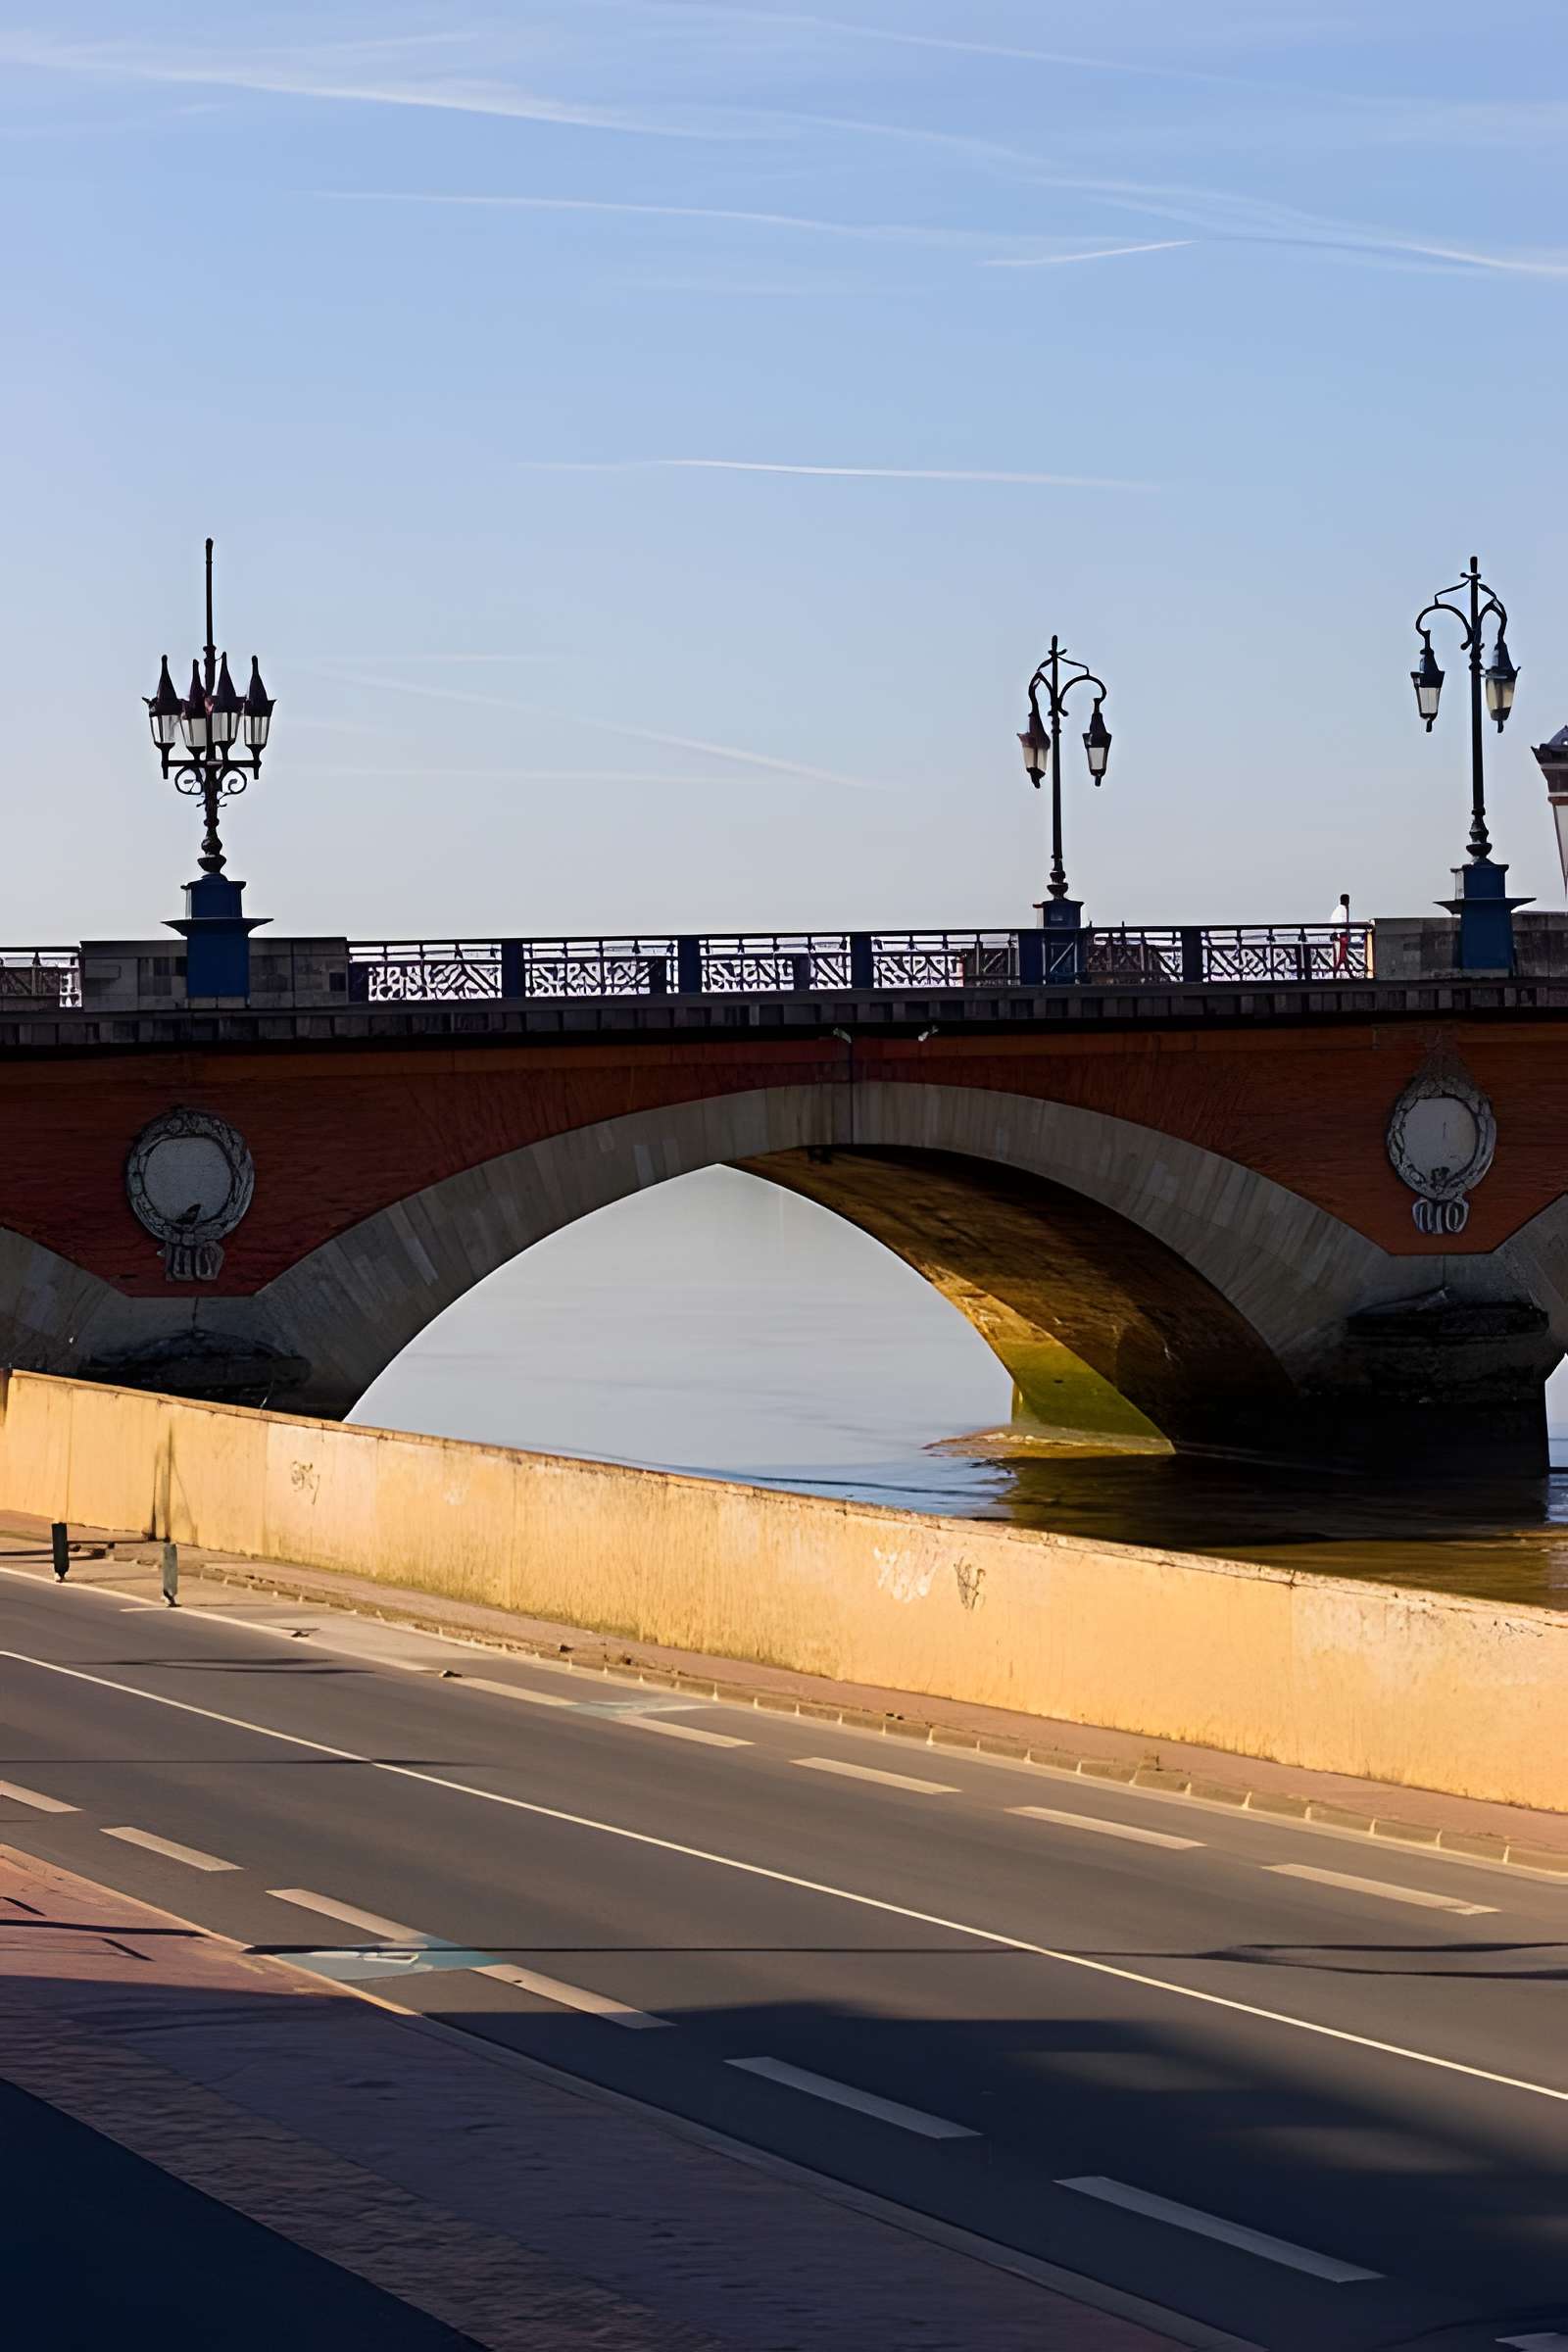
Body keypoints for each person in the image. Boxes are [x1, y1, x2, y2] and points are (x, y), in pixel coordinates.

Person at [1330, 891, 1351, 974]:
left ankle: (1344, 969)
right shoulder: (1342, 909)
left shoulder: (1338, 909)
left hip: (1339, 934)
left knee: (1342, 954)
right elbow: (1342, 922)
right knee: (1342, 954)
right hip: (1341, 935)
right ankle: (1341, 969)